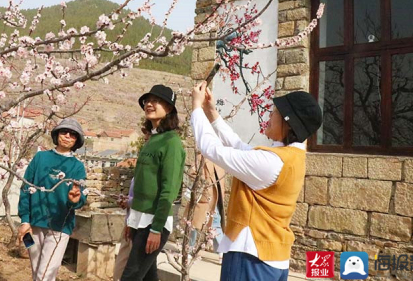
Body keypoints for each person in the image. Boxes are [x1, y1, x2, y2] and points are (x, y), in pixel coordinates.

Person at [191, 82, 323, 281]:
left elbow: (212, 150)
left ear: (288, 122)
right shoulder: (290, 157)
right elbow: (238, 146)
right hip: (273, 257)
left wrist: (196, 108)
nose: (269, 116)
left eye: (275, 112)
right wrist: (211, 112)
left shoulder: (271, 162)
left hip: (250, 255)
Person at [121, 84, 186, 281]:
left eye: (156, 101)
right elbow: (142, 186)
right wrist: (131, 221)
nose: (150, 104)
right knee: (149, 277)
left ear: (169, 108)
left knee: (130, 276)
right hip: (140, 219)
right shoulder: (153, 139)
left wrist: (156, 228)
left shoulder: (171, 143)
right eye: (147, 100)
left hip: (153, 222)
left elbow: (169, 190)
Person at [18, 118, 87, 281]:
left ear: (77, 140)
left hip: (60, 227)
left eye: (73, 135)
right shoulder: (40, 158)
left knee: (46, 274)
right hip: (33, 224)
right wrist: (24, 220)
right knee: (36, 271)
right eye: (64, 132)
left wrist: (74, 200)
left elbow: (81, 198)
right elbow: (26, 188)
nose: (68, 136)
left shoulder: (77, 167)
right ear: (57, 135)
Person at [188, 156, 225, 259]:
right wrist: (203, 184)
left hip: (215, 197)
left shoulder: (220, 159)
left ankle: (222, 253)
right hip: (202, 197)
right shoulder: (200, 157)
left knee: (215, 223)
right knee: (194, 224)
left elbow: (221, 180)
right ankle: (190, 249)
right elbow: (192, 173)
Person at [113, 178, 134, 281]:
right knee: (123, 264)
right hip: (131, 223)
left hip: (139, 225)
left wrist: (128, 202)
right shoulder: (137, 176)